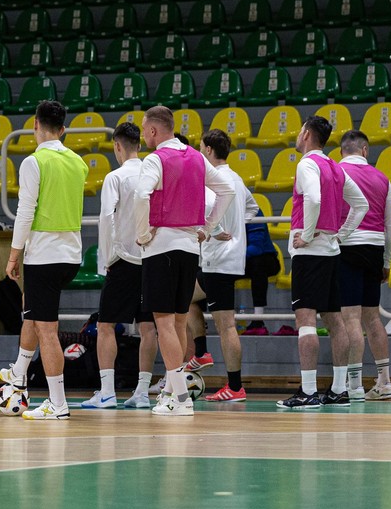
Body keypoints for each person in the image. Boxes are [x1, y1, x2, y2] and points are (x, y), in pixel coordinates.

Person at [134, 106, 235, 417]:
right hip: (191, 248)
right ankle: (170, 393)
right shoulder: (196, 156)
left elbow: (141, 195)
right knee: (178, 323)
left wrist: (142, 233)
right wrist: (206, 227)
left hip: (161, 247)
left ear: (152, 130)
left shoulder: (155, 159)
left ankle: (180, 398)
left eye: (144, 129)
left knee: (164, 323)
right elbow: (226, 190)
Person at [0, 100, 89, 420]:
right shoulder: (79, 163)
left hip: (45, 254)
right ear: (63, 129)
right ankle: (19, 373)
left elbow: (25, 213)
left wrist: (14, 254)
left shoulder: (34, 162)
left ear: (35, 124)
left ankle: (58, 403)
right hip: (71, 253)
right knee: (33, 313)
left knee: (47, 330)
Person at [277, 116, 368, 410]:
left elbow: (313, 199)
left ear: (305, 134)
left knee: (305, 321)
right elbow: (361, 205)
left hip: (310, 253)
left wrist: (306, 233)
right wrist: (339, 234)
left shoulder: (307, 164)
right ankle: (339, 390)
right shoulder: (334, 166)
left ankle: (308, 392)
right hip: (330, 251)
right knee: (334, 320)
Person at [78, 122, 158, 410]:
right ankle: (142, 393)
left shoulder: (115, 177)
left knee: (106, 325)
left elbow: (106, 220)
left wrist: (107, 260)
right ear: (140, 143)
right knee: (149, 327)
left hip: (123, 259)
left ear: (117, 145)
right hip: (151, 257)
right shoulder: (153, 172)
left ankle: (108, 392)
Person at [194, 129, 259, 402]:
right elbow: (253, 208)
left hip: (217, 259)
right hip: (225, 259)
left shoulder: (212, 180)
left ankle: (234, 386)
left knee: (227, 325)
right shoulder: (238, 179)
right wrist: (234, 225)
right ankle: (200, 354)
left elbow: (208, 211)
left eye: (200, 148)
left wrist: (219, 228)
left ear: (209, 150)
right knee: (184, 298)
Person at [337, 130, 391, 401]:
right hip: (374, 247)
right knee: (373, 317)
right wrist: (386, 261)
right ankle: (384, 381)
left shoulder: (334, 173)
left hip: (345, 246)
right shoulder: (382, 177)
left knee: (350, 317)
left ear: (342, 151)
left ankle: (354, 384)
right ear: (365, 151)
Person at [241, 207, 281, 336]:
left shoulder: (252, 209)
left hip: (266, 258)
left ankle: (258, 320)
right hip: (240, 259)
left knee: (258, 264)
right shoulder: (222, 210)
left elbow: (256, 248)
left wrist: (232, 257)